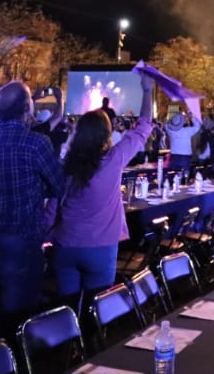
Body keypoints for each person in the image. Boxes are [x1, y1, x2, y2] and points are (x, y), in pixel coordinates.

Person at [0, 81, 66, 334]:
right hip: (20, 241)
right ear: (27, 108)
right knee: (16, 321)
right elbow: (60, 185)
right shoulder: (36, 143)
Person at [52, 75, 153, 296]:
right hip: (101, 245)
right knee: (97, 306)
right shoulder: (113, 160)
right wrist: (147, 91)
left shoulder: (64, 164)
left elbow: (53, 205)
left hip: (65, 243)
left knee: (66, 308)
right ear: (106, 134)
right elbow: (143, 128)